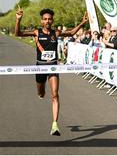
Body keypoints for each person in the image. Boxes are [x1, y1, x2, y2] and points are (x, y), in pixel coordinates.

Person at [15, 7, 88, 136]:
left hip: (53, 67)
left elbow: (71, 33)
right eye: (45, 19)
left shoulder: (56, 33)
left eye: (49, 19)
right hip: (40, 67)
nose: (47, 21)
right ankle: (41, 92)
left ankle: (55, 125)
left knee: (55, 94)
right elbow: (18, 34)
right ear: (41, 21)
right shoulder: (36, 32)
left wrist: (82, 23)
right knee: (41, 93)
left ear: (52, 20)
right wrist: (18, 20)